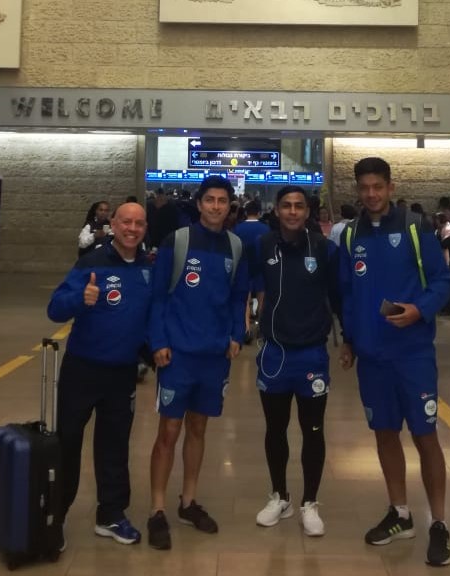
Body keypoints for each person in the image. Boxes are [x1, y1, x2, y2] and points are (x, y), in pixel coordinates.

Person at [338, 157, 450, 567]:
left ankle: (438, 523)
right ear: (358, 189)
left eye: (378, 186)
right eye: (364, 187)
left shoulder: (414, 227)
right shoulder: (351, 235)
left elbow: (442, 281)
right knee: (384, 435)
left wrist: (419, 310)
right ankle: (399, 514)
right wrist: (349, 340)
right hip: (372, 357)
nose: (371, 194)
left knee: (425, 437)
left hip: (413, 354)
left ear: (389, 187)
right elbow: (348, 293)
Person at [146, 175, 248, 551]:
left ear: (229, 205)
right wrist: (158, 341)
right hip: (178, 354)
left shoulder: (235, 247)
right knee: (168, 432)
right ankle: (157, 509)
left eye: (223, 201)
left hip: (214, 356)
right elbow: (157, 297)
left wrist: (236, 334)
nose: (216, 207)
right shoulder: (178, 241)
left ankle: (188, 502)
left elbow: (239, 297)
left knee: (199, 429)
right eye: (210, 200)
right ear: (199, 203)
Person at [47, 202, 152, 550]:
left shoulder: (147, 268)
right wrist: (81, 296)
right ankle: (55, 517)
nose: (132, 229)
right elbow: (55, 308)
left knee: (114, 447)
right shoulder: (92, 262)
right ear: (113, 224)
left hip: (122, 375)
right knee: (67, 443)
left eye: (138, 223)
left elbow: (149, 320)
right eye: (126, 222)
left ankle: (110, 514)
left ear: (145, 227)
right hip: (82, 369)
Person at [251, 185, 339, 537]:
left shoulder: (324, 248)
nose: (291, 211)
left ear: (307, 211)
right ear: (277, 210)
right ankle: (280, 496)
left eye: (298, 206)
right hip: (275, 353)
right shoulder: (263, 246)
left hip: (312, 354)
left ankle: (310, 502)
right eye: (286, 206)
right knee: (275, 428)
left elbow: (339, 295)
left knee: (313, 429)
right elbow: (249, 286)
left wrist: (348, 341)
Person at [233, 201, 270, 343]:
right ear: (259, 212)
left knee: (245, 300)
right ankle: (262, 329)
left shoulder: (238, 228)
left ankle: (246, 329)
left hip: (243, 268)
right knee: (262, 300)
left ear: (246, 212)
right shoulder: (265, 229)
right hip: (261, 268)